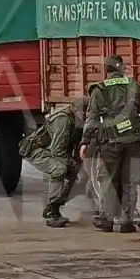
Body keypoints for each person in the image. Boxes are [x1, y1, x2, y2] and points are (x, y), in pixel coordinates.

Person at [80, 55, 140, 233]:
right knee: (130, 181)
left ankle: (106, 220)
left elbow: (91, 120)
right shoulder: (134, 86)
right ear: (122, 68)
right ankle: (126, 222)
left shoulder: (99, 90)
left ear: (106, 71)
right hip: (133, 141)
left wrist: (85, 142)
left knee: (108, 181)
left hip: (111, 142)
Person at [20, 96, 89, 227]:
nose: (85, 117)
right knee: (59, 169)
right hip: (36, 150)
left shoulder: (77, 121)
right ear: (74, 109)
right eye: (83, 113)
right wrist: (71, 162)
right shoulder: (63, 120)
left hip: (50, 151)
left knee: (72, 173)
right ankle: (52, 214)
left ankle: (54, 207)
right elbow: (58, 152)